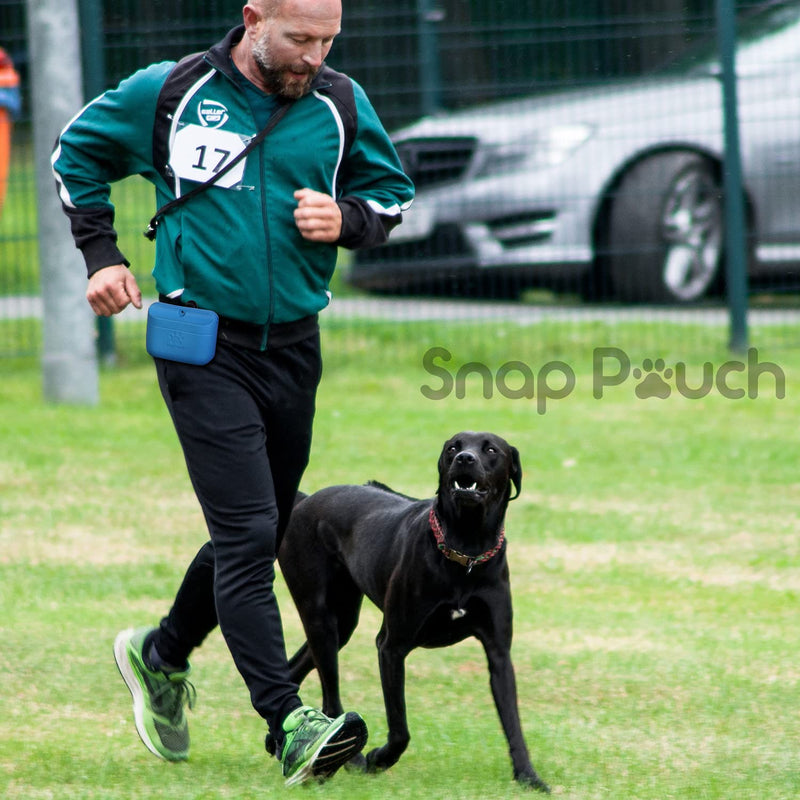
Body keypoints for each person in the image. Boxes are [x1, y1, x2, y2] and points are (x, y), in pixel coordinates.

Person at [52, 0, 414, 786]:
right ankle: (290, 721)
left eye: (327, 40)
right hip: (196, 341)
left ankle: (162, 653)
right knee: (254, 533)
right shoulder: (171, 91)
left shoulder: (340, 104)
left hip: (293, 348)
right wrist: (101, 256)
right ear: (254, 19)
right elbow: (72, 155)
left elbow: (392, 195)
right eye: (299, 38)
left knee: (265, 519)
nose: (313, 55)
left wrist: (346, 217)